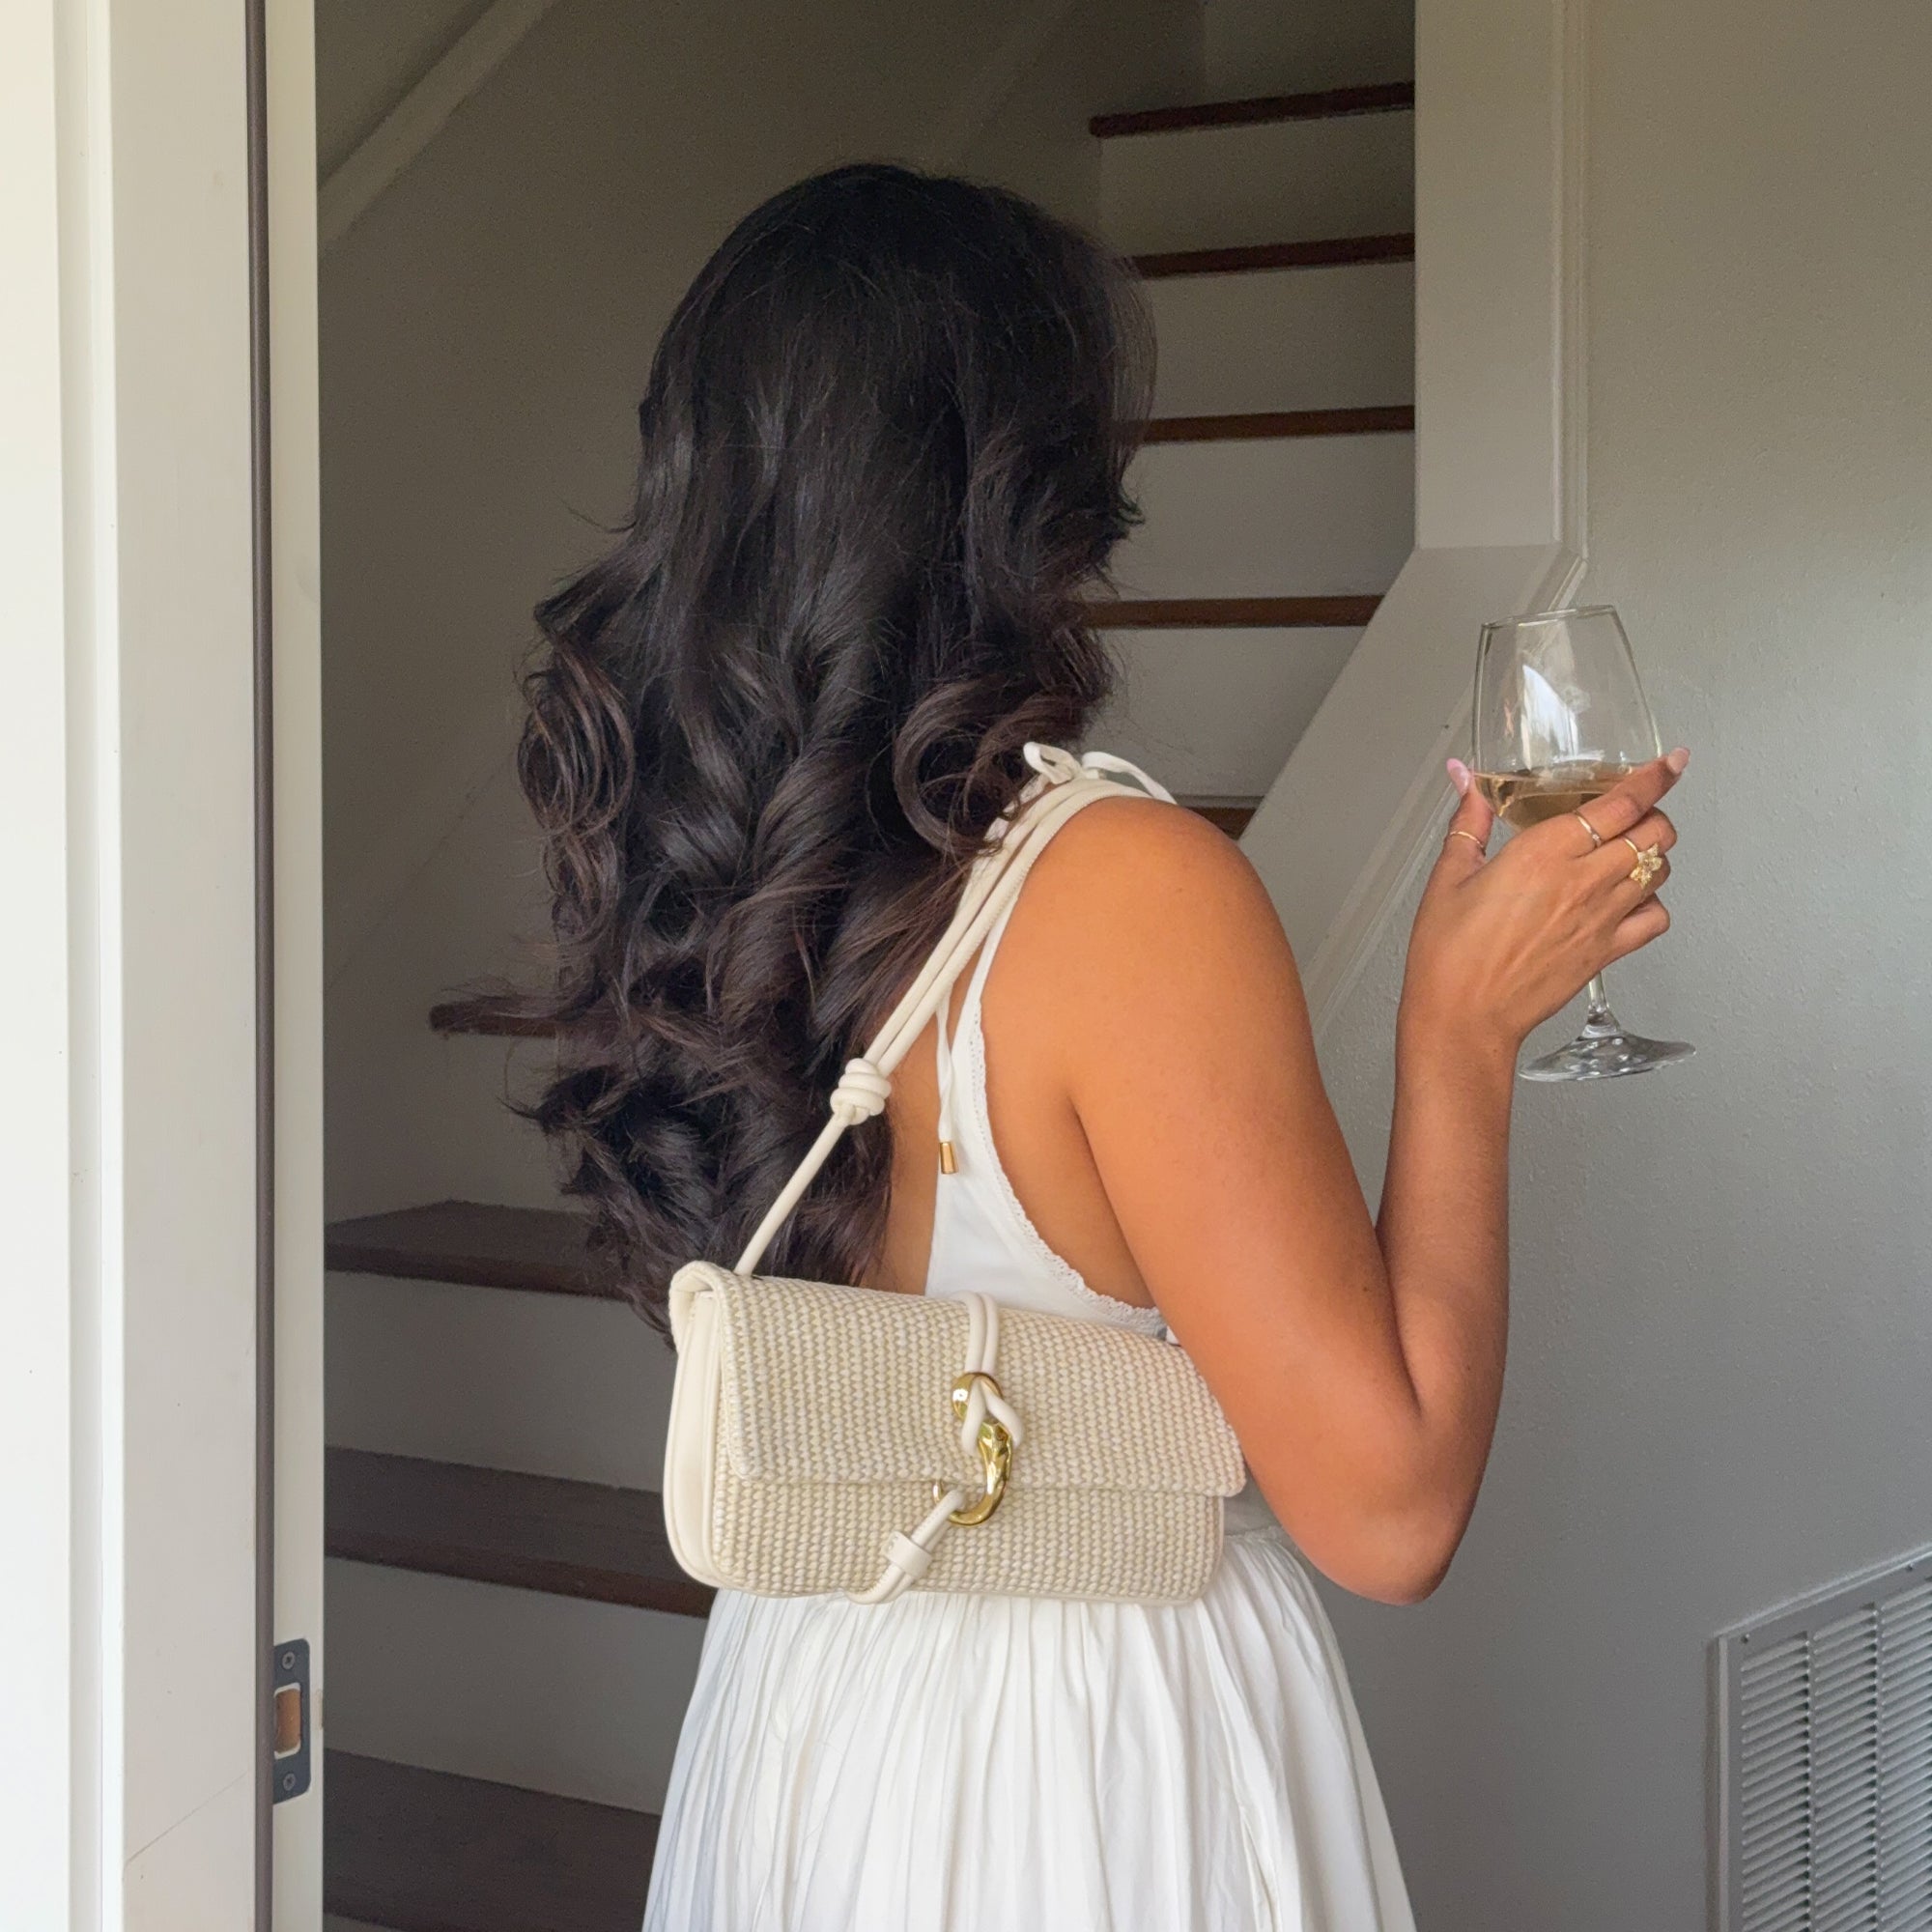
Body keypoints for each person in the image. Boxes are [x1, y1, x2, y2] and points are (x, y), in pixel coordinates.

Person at [496, 162, 1683, 1931]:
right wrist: (1462, 1035)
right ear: (1028, 480)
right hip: (1089, 1756)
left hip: (809, 1708)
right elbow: (1391, 1513)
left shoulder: (699, 874)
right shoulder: (1124, 891)